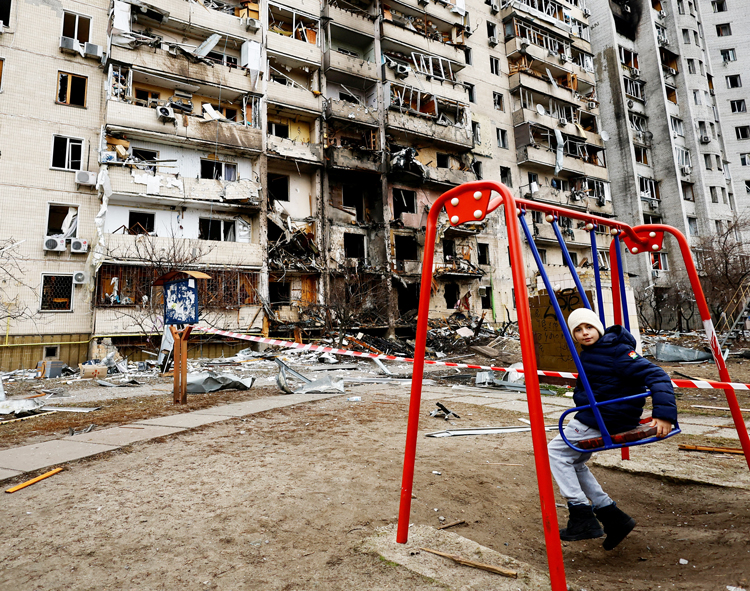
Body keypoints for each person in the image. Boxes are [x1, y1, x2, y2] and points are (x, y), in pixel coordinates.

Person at [547, 307, 677, 550]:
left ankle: (581, 514)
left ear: (599, 327)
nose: (585, 333)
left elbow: (658, 375)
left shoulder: (617, 352)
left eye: (589, 327)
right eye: (578, 330)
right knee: (574, 461)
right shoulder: (593, 352)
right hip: (601, 414)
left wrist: (664, 415)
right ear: (573, 335)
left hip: (607, 418)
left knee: (554, 452)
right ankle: (613, 517)